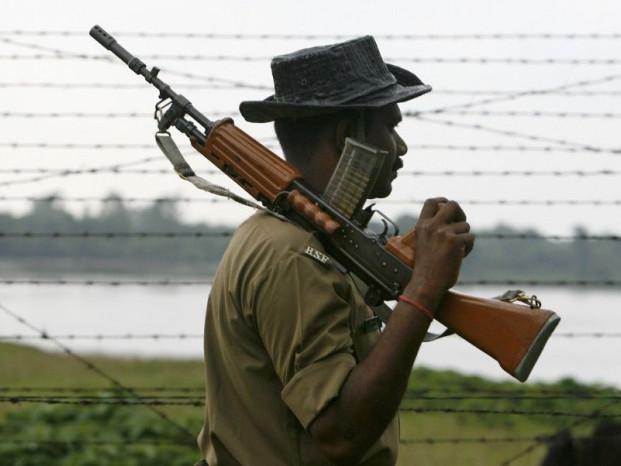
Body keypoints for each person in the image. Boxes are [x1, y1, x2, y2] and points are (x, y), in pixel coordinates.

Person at [197, 35, 475, 465]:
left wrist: (406, 261)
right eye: (390, 126)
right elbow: (341, 432)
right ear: (348, 135)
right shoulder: (293, 256)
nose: (400, 148)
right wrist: (423, 289)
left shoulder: (315, 242)